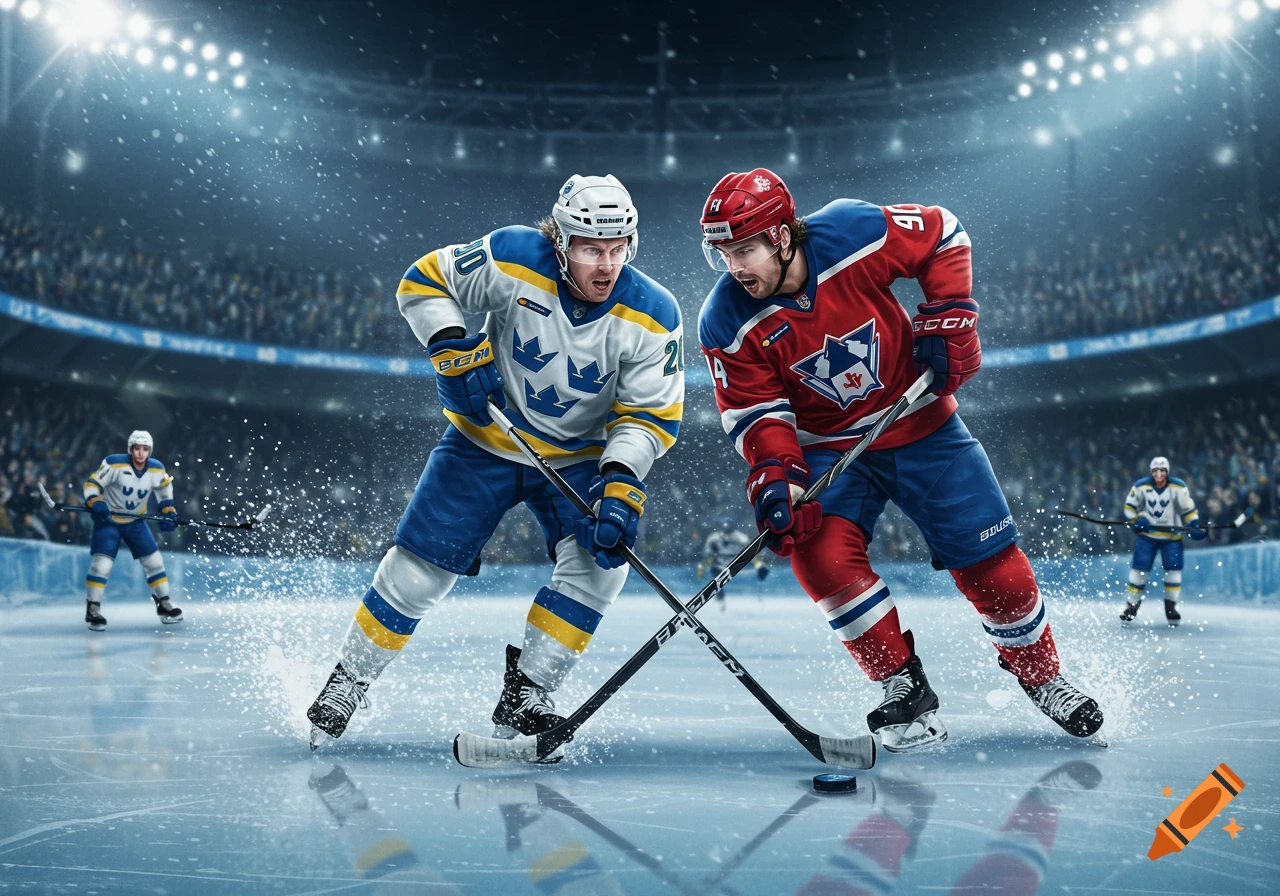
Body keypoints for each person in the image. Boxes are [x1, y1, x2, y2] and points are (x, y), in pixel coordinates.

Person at [696, 168, 1102, 751]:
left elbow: (943, 232)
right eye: (723, 254)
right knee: (822, 563)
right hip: (828, 450)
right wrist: (777, 478)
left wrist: (951, 310)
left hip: (921, 426)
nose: (734, 267)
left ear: (783, 236)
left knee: (998, 570)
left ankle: (1043, 677)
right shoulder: (726, 318)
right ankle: (902, 687)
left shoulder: (851, 230)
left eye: (744, 250)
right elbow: (755, 413)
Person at [307, 175, 684, 754]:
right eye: (590, 248)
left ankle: (528, 691)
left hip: (580, 459)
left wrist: (622, 478)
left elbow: (650, 415)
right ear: (559, 241)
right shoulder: (513, 255)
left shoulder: (655, 313)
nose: (606, 265)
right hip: (483, 441)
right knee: (419, 570)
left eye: (617, 248)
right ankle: (349, 680)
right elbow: (423, 279)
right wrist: (449, 342)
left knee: (600, 566)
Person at [81, 430, 182, 631]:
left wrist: (168, 510)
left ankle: (163, 602)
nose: (140, 453)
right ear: (130, 449)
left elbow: (164, 490)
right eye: (137, 448)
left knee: (154, 562)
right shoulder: (114, 463)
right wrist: (96, 501)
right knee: (101, 565)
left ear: (150, 450)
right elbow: (92, 484)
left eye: (145, 449)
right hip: (109, 520)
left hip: (136, 521)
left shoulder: (156, 469)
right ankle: (93, 608)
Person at [1120, 456, 1204, 626]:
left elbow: (1188, 509)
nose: (1159, 474)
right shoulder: (1140, 486)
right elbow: (1129, 507)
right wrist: (1137, 519)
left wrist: (1193, 524)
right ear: (1151, 472)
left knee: (1173, 571)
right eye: (1155, 471)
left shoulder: (1179, 487)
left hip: (1171, 536)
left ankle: (1171, 607)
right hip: (1147, 537)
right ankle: (1132, 605)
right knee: (1139, 571)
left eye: (1162, 471)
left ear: (1167, 471)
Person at [698, 518, 768, 609]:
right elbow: (708, 555)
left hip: (737, 564)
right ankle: (720, 598)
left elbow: (751, 552)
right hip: (720, 564)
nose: (726, 529)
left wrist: (759, 566)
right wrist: (702, 567)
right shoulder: (714, 538)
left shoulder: (740, 537)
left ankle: (757, 599)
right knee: (715, 577)